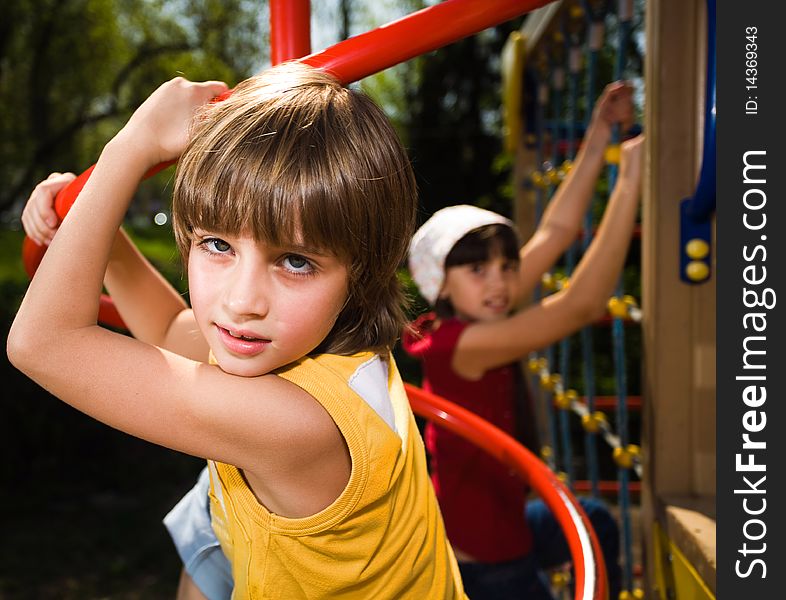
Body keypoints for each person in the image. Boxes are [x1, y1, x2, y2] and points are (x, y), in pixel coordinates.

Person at [11, 62, 466, 599]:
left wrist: (132, 147)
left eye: (295, 261)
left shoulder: (298, 425)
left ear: (362, 271)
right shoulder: (326, 347)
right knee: (208, 515)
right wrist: (93, 223)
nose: (242, 301)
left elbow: (41, 343)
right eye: (218, 245)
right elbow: (168, 326)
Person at [402, 82, 643, 600]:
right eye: (478, 268)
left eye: (508, 266)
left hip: (509, 523)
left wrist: (600, 132)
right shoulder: (459, 346)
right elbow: (579, 305)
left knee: (594, 520)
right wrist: (630, 182)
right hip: (486, 561)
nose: (499, 281)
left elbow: (556, 231)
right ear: (440, 283)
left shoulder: (476, 308)